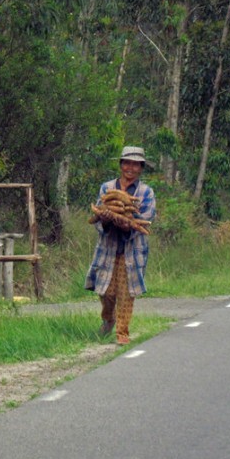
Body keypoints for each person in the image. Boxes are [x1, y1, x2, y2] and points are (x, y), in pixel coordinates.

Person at [85, 146, 155, 345]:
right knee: (105, 290)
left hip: (131, 250)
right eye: (127, 163)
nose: (130, 168)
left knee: (126, 292)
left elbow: (147, 218)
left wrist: (127, 222)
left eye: (135, 164)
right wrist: (107, 218)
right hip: (108, 247)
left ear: (141, 168)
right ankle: (109, 318)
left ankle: (122, 332)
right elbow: (99, 212)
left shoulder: (146, 193)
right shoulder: (107, 188)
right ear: (121, 165)